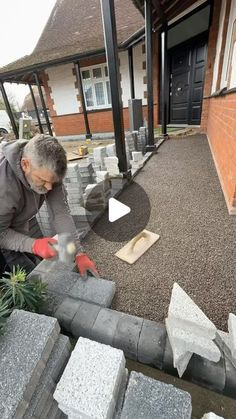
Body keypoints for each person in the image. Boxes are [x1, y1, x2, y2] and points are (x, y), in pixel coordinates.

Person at [0, 134, 98, 277]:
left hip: (16, 223)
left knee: (33, 267)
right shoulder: (4, 187)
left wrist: (78, 253)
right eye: (42, 180)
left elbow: (60, 213)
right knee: (18, 282)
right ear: (25, 164)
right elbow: (1, 233)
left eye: (53, 182)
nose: (49, 188)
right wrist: (34, 245)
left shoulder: (46, 169)